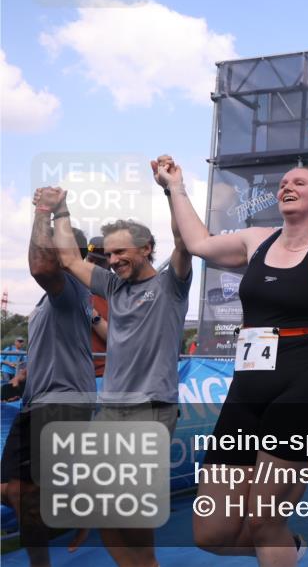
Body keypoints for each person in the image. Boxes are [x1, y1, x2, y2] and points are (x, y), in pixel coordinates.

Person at [156, 155, 308, 566]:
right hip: (247, 389)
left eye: (298, 182)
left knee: (263, 520)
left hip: (303, 388)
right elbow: (199, 244)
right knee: (212, 531)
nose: (287, 187)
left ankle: (276, 544)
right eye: (282, 184)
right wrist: (176, 188)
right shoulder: (255, 240)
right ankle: (290, 549)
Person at [45, 175, 192, 567]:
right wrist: (60, 208)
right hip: (111, 410)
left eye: (120, 252)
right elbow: (70, 259)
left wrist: (170, 189)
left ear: (146, 249)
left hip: (150, 410)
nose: (112, 261)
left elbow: (184, 242)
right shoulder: (112, 287)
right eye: (108, 255)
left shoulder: (170, 287)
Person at [0, 196, 96, 567]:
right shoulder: (47, 302)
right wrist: (21, 378)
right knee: (10, 489)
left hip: (61, 403)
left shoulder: (69, 289)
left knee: (25, 494)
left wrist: (46, 212)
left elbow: (40, 266)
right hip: (38, 400)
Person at [86, 236, 110, 377]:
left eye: (99, 261)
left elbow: (117, 338)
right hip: (73, 376)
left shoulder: (118, 291)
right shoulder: (73, 284)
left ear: (109, 262)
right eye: (90, 259)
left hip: (104, 375)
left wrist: (91, 314)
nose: (93, 264)